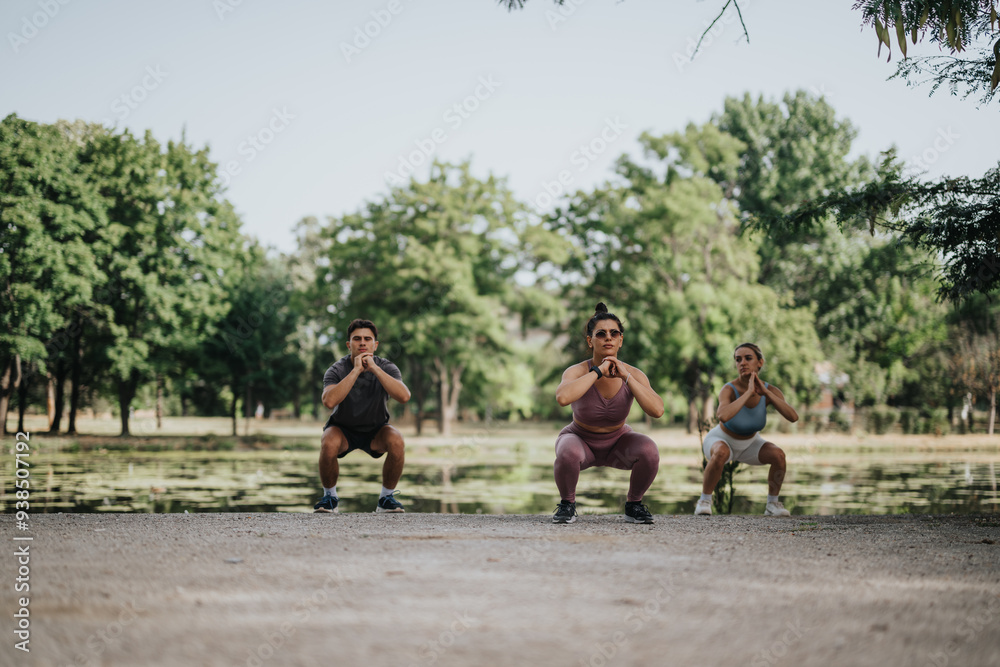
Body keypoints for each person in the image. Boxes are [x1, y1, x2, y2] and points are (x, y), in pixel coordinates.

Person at [552, 303, 664, 524]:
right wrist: (598, 372)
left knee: (649, 449)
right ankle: (567, 505)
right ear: (590, 341)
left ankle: (634, 505)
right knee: (567, 451)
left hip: (618, 446)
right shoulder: (577, 371)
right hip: (580, 441)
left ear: (620, 340)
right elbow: (563, 398)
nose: (608, 338)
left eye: (614, 333)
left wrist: (626, 377)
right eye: (601, 334)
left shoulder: (633, 373)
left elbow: (658, 410)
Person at [313, 319, 411, 514]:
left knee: (397, 440)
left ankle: (386, 499)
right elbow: (329, 402)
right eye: (357, 339)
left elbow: (404, 396)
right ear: (349, 345)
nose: (362, 343)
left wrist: (374, 368)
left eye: (368, 339)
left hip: (376, 430)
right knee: (328, 440)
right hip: (343, 430)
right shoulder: (337, 369)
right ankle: (330, 498)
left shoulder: (387, 367)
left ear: (375, 345)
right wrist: (357, 370)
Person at [695, 342, 799, 517]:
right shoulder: (728, 389)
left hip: (750, 444)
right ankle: (704, 501)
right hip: (721, 439)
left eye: (748, 358)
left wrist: (766, 393)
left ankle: (772, 505)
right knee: (721, 451)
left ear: (760, 362)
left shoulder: (770, 391)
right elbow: (723, 416)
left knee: (779, 455)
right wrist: (748, 393)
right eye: (738, 359)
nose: (742, 363)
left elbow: (793, 417)